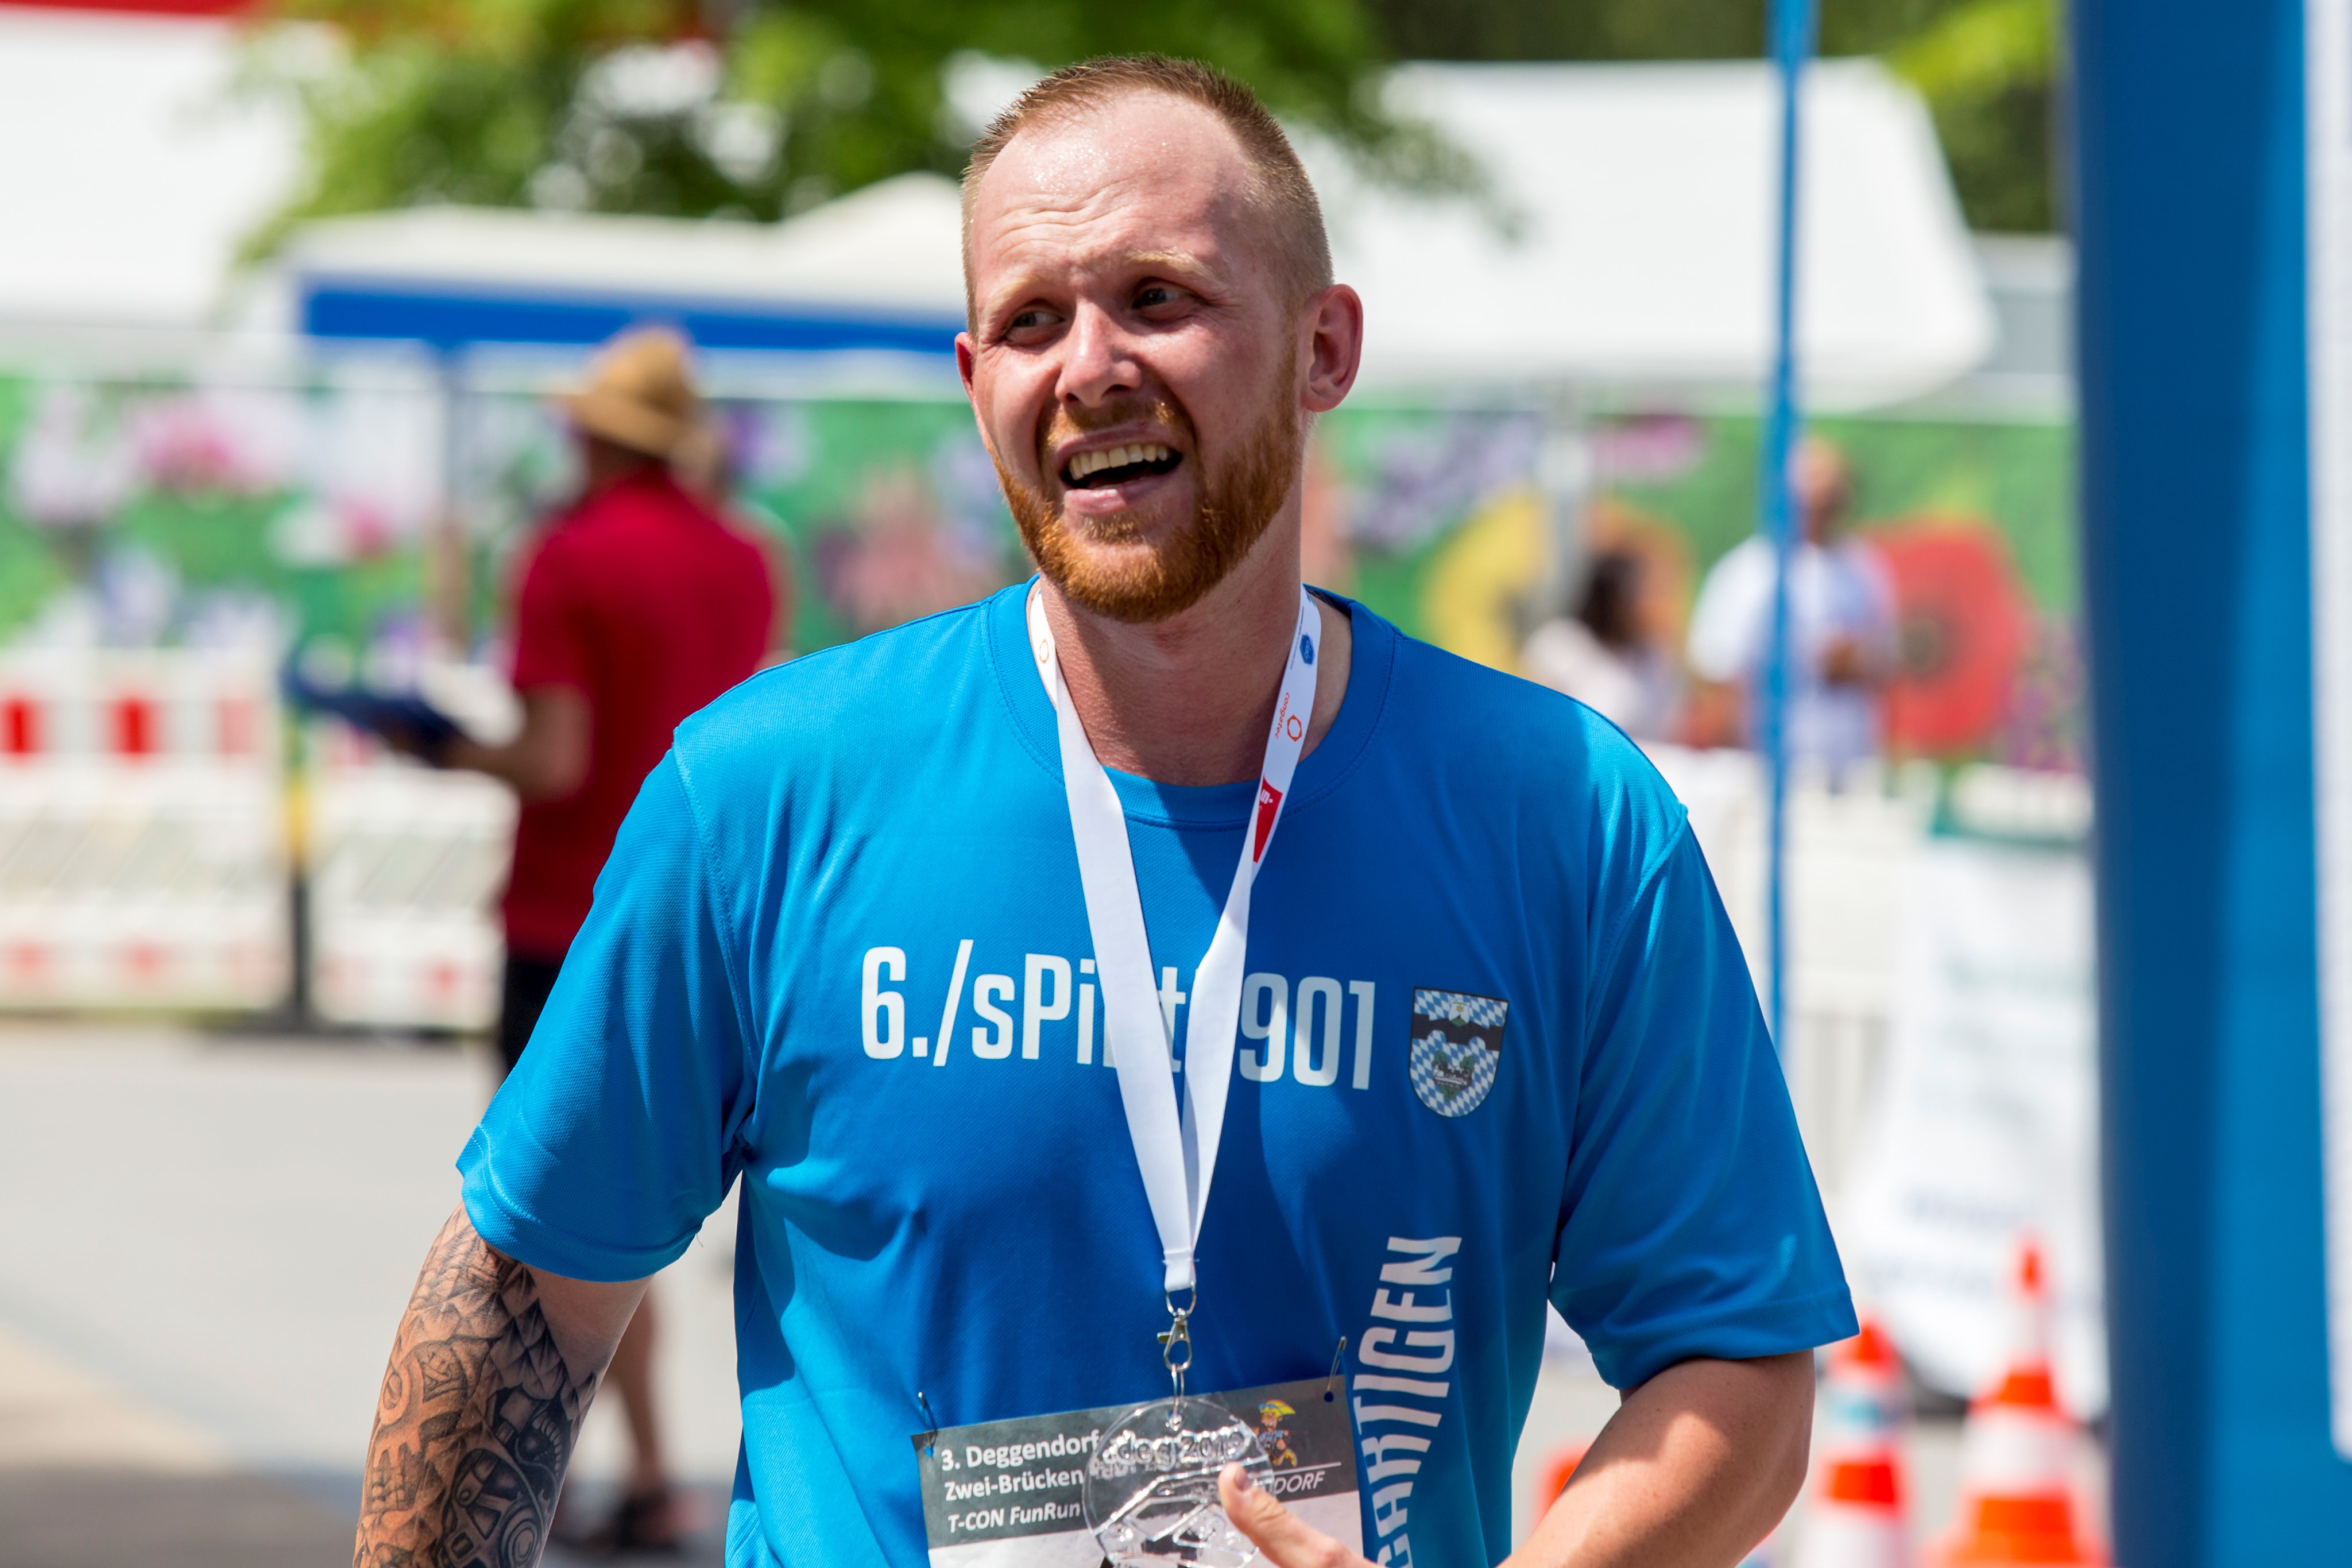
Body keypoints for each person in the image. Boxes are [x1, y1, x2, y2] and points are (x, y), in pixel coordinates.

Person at [354, 56, 1853, 1568]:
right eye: (1028, 320)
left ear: (1324, 347)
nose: (1089, 366)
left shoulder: (1566, 821)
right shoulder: (767, 792)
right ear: (974, 383)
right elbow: (520, 1300)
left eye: (1157, 298)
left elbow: (1734, 1362)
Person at [413, 325, 776, 1555]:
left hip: (571, 917)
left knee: (555, 1228)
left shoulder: (567, 557)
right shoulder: (746, 558)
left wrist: (438, 746)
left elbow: (555, 757)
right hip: (719, 915)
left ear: (597, 436)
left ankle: (616, 1473)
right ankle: (662, 1472)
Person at [1682, 436, 1897, 775]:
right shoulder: (1749, 571)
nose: (1824, 497)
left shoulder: (1864, 567)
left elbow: (1886, 656)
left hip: (1850, 764)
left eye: (1833, 488)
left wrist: (1856, 660)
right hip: (1769, 764)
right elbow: (1719, 672)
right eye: (1813, 484)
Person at [1522, 549, 1681, 741]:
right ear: (1613, 597)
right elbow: (1533, 721)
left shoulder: (1655, 659)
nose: (1658, 604)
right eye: (1649, 594)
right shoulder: (1560, 645)